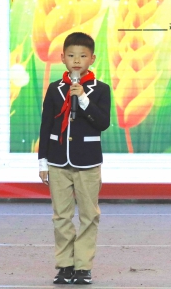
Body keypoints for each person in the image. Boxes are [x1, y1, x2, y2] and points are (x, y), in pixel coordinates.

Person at [38, 32, 111, 285]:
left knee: (89, 216)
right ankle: (65, 266)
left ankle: (83, 267)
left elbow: (103, 123)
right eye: (71, 55)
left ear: (92, 59)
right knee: (61, 216)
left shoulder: (101, 89)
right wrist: (42, 161)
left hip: (88, 162)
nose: (76, 60)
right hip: (58, 161)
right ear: (62, 58)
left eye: (82, 56)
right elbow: (46, 125)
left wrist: (82, 98)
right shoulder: (55, 89)